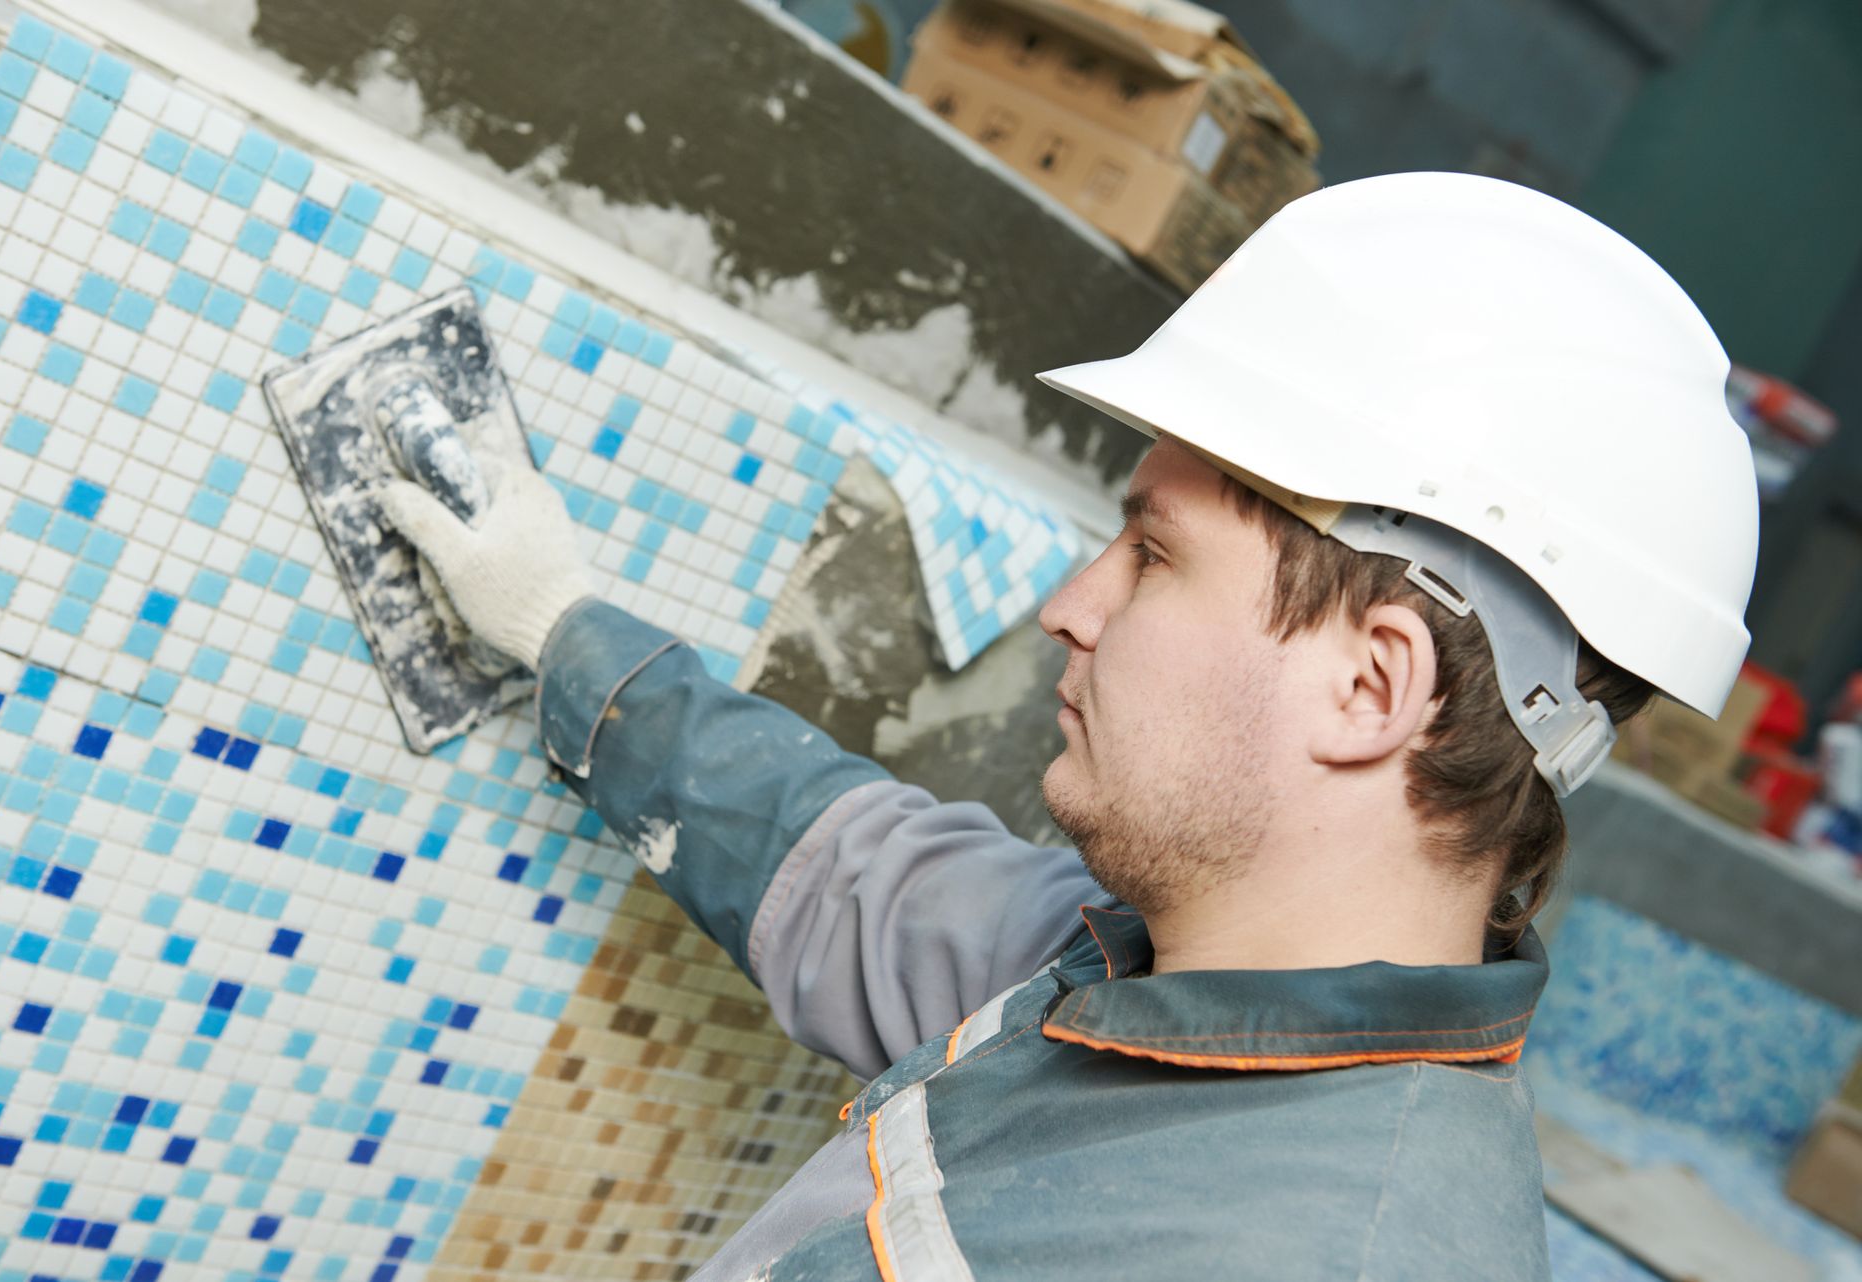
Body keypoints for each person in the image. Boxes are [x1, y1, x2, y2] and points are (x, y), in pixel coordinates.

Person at [379, 171, 1759, 1281]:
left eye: (1151, 556)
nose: (1067, 606)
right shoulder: (1143, 975)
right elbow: (849, 868)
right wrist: (562, 627)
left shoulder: (1310, 1247)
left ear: (1370, 688)